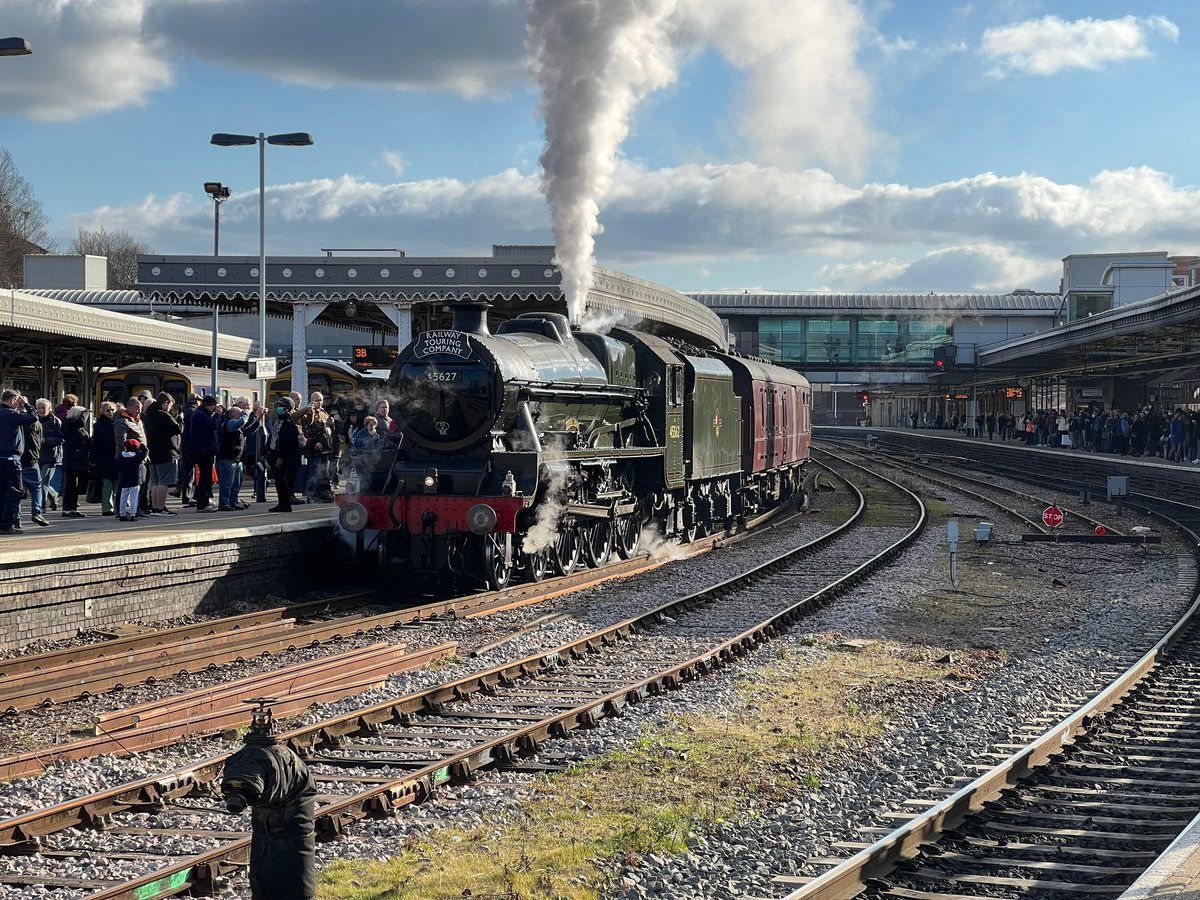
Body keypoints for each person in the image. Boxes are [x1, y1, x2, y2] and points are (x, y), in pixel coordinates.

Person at [218, 397, 265, 511]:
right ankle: (224, 503)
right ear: (233, 415)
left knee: (237, 484)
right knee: (227, 484)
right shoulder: (229, 423)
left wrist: (258, 418)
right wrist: (246, 413)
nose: (242, 416)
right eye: (239, 415)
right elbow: (242, 422)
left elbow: (248, 430)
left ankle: (233, 502)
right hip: (228, 458)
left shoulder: (237, 426)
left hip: (237, 459)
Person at [0, 390, 37, 534]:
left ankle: (3, 523)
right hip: (11, 459)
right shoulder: (11, 415)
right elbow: (33, 417)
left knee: (2, 492)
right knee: (15, 491)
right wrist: (27, 404)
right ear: (13, 400)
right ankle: (7, 523)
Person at [144, 391, 183, 517]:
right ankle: (160, 508)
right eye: (170, 405)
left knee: (156, 482)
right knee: (164, 482)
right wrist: (180, 419)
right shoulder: (163, 414)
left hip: (153, 452)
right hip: (165, 452)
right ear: (166, 403)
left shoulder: (150, 414)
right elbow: (178, 428)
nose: (170, 408)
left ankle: (155, 507)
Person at [268, 396, 303, 512]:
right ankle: (281, 503)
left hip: (284, 457)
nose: (278, 408)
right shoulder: (278, 421)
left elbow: (287, 443)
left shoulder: (288, 423)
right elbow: (272, 437)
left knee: (282, 481)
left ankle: (285, 505)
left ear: (288, 409)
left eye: (281, 406)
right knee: (278, 482)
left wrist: (281, 457)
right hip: (274, 453)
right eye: (278, 406)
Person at [188, 396, 222, 512]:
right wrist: (217, 415)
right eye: (214, 406)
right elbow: (212, 426)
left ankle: (204, 500)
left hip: (204, 450)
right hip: (204, 451)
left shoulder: (201, 414)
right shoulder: (200, 415)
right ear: (209, 405)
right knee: (205, 478)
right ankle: (203, 503)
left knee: (205, 477)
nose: (215, 408)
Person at [297, 392, 334, 503]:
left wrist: (331, 423)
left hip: (325, 446)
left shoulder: (324, 412)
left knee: (324, 472)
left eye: (321, 400)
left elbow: (326, 429)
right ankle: (310, 494)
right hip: (314, 447)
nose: (319, 402)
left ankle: (323, 494)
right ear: (311, 400)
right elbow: (307, 429)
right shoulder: (308, 412)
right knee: (313, 471)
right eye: (317, 400)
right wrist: (314, 443)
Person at [60, 406, 92, 518]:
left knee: (77, 486)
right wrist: (85, 412)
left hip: (81, 459)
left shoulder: (80, 428)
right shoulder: (68, 423)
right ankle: (67, 509)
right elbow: (80, 422)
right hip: (72, 459)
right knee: (70, 485)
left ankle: (73, 508)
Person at [90, 402, 120, 516]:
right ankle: (107, 508)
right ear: (102, 411)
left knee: (117, 483)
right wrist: (94, 460)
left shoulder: (118, 422)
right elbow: (95, 444)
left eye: (112, 410)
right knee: (107, 484)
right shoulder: (99, 425)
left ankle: (118, 507)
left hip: (117, 457)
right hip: (104, 458)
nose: (110, 412)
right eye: (108, 410)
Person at [19, 408, 46, 527]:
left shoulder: (15, 422)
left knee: (16, 491)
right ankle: (37, 512)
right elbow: (39, 441)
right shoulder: (37, 423)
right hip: (31, 458)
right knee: (36, 488)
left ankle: (16, 518)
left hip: (17, 459)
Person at [35, 399, 63, 512]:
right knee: (38, 482)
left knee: (42, 481)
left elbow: (61, 439)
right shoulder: (33, 420)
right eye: (39, 408)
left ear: (49, 409)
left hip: (50, 456)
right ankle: (54, 495)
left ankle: (41, 507)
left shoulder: (55, 422)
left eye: (44, 408)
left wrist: (46, 440)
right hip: (36, 455)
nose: (41, 410)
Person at [242, 402, 269, 504]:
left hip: (261, 448)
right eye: (255, 409)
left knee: (260, 468)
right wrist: (257, 418)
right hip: (250, 448)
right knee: (250, 468)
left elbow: (269, 429)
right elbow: (247, 429)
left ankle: (257, 489)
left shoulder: (267, 419)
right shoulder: (250, 417)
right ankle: (259, 484)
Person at [116, 438, 148, 521]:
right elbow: (145, 451)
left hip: (124, 479)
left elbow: (117, 465)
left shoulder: (120, 456)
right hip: (134, 480)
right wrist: (141, 445)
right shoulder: (137, 456)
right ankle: (133, 514)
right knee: (134, 497)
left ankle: (122, 514)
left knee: (123, 497)